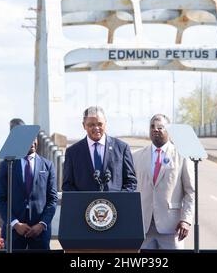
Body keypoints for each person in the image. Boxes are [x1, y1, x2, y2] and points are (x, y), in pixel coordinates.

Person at [132, 114, 195, 250]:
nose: (156, 130)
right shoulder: (135, 156)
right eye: (152, 127)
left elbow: (190, 192)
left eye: (161, 127)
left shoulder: (182, 156)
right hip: (143, 228)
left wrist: (186, 220)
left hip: (172, 228)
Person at [0, 135, 58, 250]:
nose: (32, 142)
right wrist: (15, 223)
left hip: (40, 234)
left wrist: (42, 224)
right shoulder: (7, 165)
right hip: (14, 233)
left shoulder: (48, 165)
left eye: (34, 138)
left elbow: (52, 199)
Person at [62, 106, 137, 192]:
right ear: (84, 125)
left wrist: (119, 200)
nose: (96, 128)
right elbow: (67, 185)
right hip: (85, 204)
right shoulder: (72, 152)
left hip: (115, 204)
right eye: (91, 125)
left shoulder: (122, 148)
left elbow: (130, 181)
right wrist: (80, 201)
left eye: (99, 124)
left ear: (105, 123)